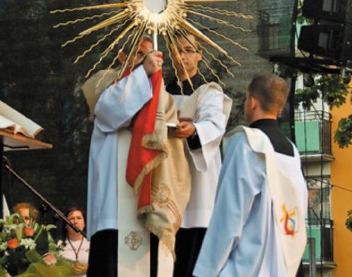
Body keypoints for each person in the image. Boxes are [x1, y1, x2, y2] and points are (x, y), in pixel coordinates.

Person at [81, 35, 191, 277]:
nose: (148, 61)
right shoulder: (105, 84)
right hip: (114, 207)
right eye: (141, 55)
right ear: (123, 56)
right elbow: (113, 111)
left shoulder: (159, 91)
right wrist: (143, 71)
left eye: (152, 55)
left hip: (150, 200)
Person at [193, 73, 308, 277]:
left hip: (249, 266)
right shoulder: (291, 150)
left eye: (246, 99)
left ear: (252, 102)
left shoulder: (247, 143)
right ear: (280, 108)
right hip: (285, 264)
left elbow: (229, 214)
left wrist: (205, 271)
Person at [165, 34, 232, 277]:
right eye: (177, 50)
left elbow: (215, 125)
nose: (182, 55)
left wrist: (194, 130)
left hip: (198, 187)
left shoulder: (209, 92)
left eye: (188, 50)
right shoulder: (161, 92)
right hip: (168, 180)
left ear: (199, 54)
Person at [57, 207, 91, 276]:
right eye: (71, 219)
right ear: (66, 225)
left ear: (84, 223)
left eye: (79, 218)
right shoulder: (58, 245)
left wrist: (88, 269)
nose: (75, 221)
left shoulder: (91, 244)